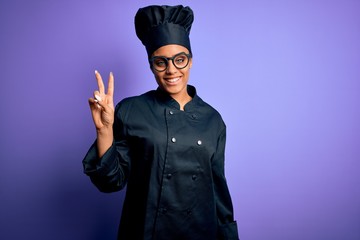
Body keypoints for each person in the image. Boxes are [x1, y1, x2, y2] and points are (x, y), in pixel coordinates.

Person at [83, 5, 239, 240]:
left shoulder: (213, 120)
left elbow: (219, 191)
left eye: (180, 60)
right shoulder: (131, 110)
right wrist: (104, 130)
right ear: (151, 65)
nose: (171, 70)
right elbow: (110, 183)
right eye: (161, 62)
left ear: (191, 61)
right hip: (145, 232)